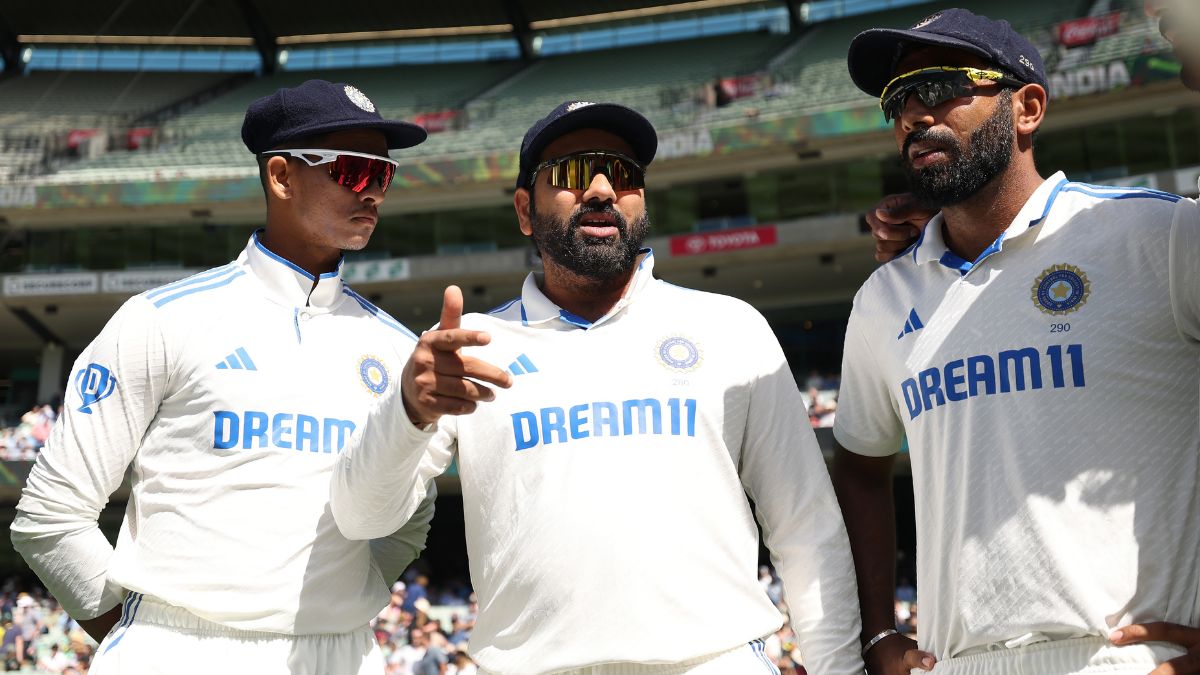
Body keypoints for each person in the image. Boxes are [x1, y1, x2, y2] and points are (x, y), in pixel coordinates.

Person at [327, 100, 865, 674]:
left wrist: (841, 668)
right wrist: (407, 411)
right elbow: (362, 519)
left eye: (624, 173)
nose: (604, 189)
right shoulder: (468, 347)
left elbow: (807, 527)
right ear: (524, 212)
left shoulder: (731, 327)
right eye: (573, 173)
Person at [10, 79, 438, 675]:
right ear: (281, 176)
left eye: (383, 176)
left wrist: (333, 607)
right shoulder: (159, 319)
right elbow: (50, 515)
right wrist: (132, 635)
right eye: (353, 172)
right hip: (175, 648)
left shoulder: (399, 348)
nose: (374, 194)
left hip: (344, 653)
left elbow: (406, 520)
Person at [831, 8, 1200, 675]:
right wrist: (879, 634)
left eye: (942, 87)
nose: (914, 114)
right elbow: (859, 467)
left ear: (1027, 107)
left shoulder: (1161, 238)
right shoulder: (883, 299)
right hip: (956, 661)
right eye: (898, 100)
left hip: (1124, 656)